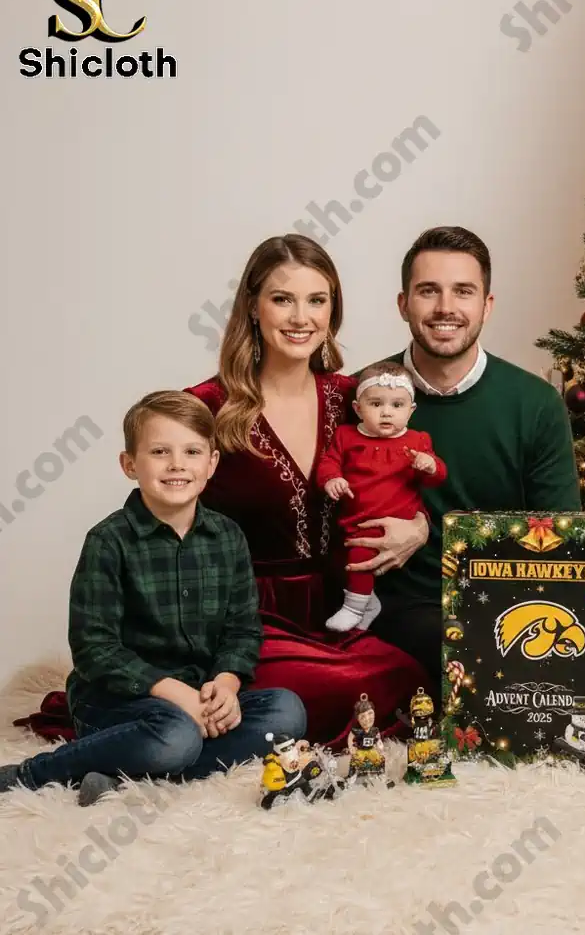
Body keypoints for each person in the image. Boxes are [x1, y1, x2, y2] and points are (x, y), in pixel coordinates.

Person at [0, 391, 306, 806]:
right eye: (160, 451)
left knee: (286, 712)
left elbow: (242, 629)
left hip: (197, 697)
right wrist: (176, 695)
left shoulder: (228, 536)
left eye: (192, 451)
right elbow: (94, 648)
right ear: (129, 464)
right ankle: (34, 773)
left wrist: (226, 683)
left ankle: (123, 773)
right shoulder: (109, 541)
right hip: (117, 703)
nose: (177, 464)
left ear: (212, 463)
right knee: (176, 736)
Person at [184, 235, 429, 744]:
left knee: (409, 678)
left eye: (317, 300)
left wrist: (420, 527)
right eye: (282, 299)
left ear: (332, 310)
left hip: (336, 612)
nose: (301, 318)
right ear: (253, 306)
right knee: (333, 691)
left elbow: (407, 476)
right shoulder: (208, 406)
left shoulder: (354, 400)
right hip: (243, 620)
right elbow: (156, 517)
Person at [365, 225, 582, 681]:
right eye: (428, 291)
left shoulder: (536, 404)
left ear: (487, 305)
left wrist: (428, 530)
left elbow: (561, 534)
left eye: (463, 291)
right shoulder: (363, 395)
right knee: (466, 654)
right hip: (403, 608)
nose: (446, 307)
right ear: (403, 304)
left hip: (512, 600)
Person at [317, 360, 447, 631]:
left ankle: (354, 608)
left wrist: (430, 465)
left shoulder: (417, 441)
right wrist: (332, 479)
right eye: (376, 404)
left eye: (397, 405)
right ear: (358, 408)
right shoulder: (346, 436)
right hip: (355, 518)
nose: (387, 412)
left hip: (396, 520)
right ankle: (368, 603)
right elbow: (330, 461)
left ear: (410, 410)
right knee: (343, 562)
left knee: (360, 556)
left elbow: (435, 478)